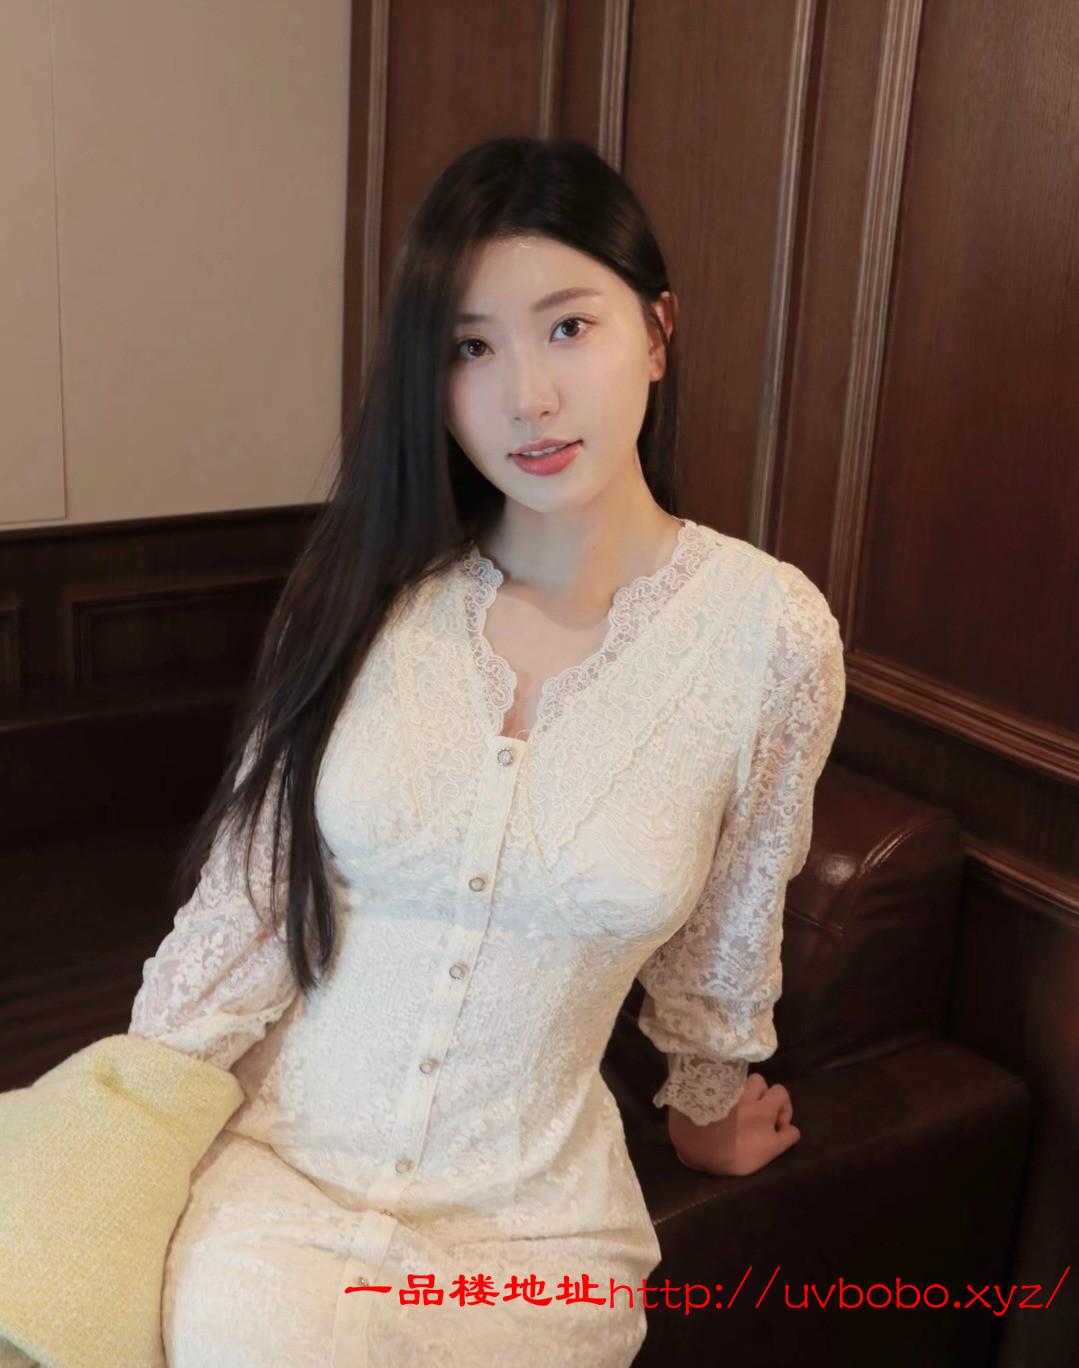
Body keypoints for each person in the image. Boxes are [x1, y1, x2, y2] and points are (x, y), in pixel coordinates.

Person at [128, 135, 846, 1367]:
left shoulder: (768, 635)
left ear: (657, 333)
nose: (528, 397)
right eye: (470, 348)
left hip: (529, 1241)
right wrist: (130, 1128)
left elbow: (732, 924)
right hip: (273, 1188)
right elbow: (245, 904)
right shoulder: (366, 596)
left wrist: (704, 1102)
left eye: (568, 327)